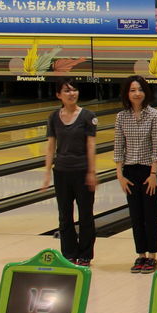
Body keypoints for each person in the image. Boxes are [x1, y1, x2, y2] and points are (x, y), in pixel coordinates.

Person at [42, 79, 98, 266]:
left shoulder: (88, 116)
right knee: (64, 215)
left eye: (74, 90)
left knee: (86, 215)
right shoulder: (53, 117)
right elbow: (51, 146)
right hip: (62, 172)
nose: (72, 93)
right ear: (59, 95)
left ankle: (85, 255)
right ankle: (68, 254)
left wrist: (92, 172)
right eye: (67, 90)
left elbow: (91, 146)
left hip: (82, 171)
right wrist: (47, 172)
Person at [113, 74, 157, 273]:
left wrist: (153, 173)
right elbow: (119, 146)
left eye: (140, 90)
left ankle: (152, 256)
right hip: (129, 172)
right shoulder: (121, 116)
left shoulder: (155, 115)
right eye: (132, 90)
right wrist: (119, 174)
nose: (137, 93)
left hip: (149, 171)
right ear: (127, 93)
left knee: (151, 215)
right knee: (135, 215)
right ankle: (140, 255)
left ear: (146, 92)